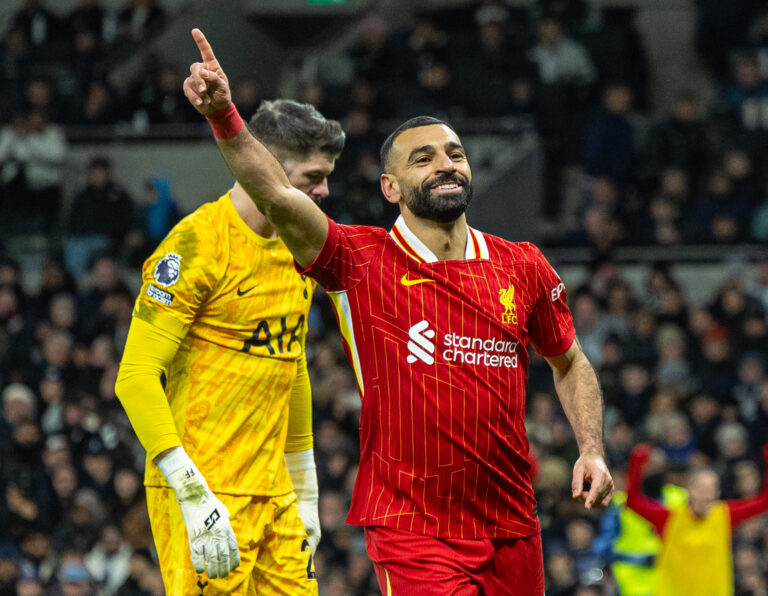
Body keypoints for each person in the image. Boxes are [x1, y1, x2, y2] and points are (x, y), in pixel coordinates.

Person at [183, 28, 613, 594]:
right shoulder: (360, 259)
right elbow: (277, 196)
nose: (446, 165)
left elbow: (571, 362)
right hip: (412, 527)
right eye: (423, 159)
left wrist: (591, 450)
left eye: (456, 154)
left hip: (512, 522)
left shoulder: (522, 264)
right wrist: (223, 115)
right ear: (390, 187)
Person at [114, 98, 345, 593]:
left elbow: (291, 364)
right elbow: (134, 377)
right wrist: (189, 490)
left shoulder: (299, 245)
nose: (325, 190)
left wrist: (306, 491)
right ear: (264, 164)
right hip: (204, 489)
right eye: (314, 176)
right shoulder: (197, 244)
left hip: (275, 492)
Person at [626, 444, 768, 596]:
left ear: (717, 494)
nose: (706, 494)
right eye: (701, 488)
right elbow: (633, 503)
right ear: (689, 490)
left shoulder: (725, 515)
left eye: (711, 489)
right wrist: (637, 463)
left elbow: (763, 502)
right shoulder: (670, 517)